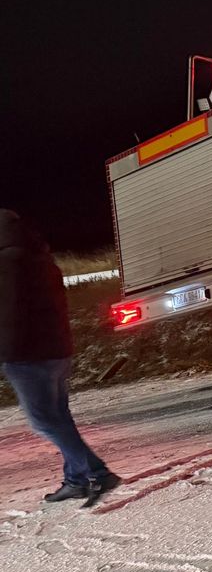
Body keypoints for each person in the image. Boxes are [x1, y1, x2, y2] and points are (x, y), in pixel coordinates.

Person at [0, 209, 120, 503]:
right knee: (59, 417)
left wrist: (6, 351)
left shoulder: (8, 261)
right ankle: (77, 479)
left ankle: (98, 474)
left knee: (43, 420)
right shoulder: (40, 258)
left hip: (27, 354)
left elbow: (9, 313)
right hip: (55, 350)